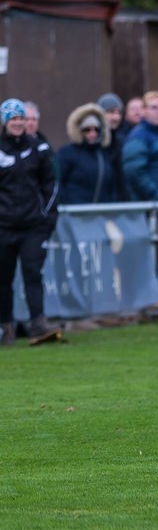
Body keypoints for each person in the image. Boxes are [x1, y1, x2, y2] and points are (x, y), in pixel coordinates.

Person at [0, 99, 62, 346]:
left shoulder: (39, 149)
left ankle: (38, 322)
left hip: (33, 226)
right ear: (5, 121)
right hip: (3, 226)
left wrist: (47, 217)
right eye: (13, 119)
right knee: (3, 278)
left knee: (32, 272)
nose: (18, 123)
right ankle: (6, 326)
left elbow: (52, 184)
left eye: (21, 119)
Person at [58, 103, 122, 205]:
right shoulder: (67, 153)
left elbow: (112, 187)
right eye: (87, 130)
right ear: (79, 131)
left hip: (101, 214)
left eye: (96, 129)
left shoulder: (103, 154)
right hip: (75, 214)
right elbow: (58, 183)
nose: (92, 133)